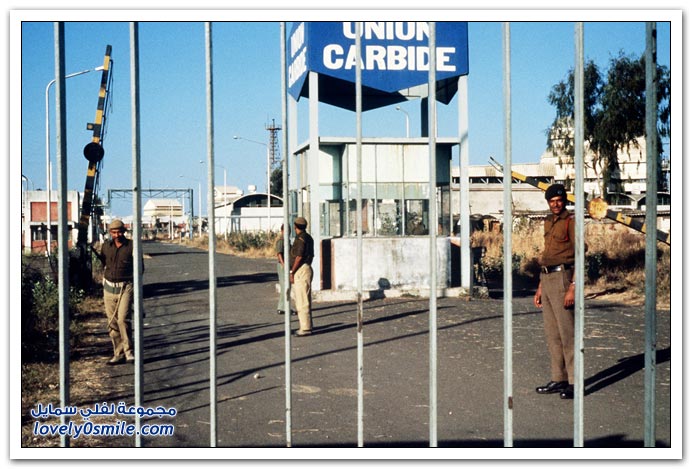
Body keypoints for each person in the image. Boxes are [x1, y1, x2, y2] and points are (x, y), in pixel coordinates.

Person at [533, 184, 577, 400]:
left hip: (562, 278)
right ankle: (559, 378)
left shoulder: (571, 222)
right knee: (553, 334)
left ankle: (574, 382)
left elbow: (581, 254)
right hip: (547, 278)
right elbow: (548, 254)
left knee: (568, 333)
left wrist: (573, 287)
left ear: (564, 201)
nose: (556, 204)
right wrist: (540, 286)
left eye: (559, 200)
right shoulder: (548, 222)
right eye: (552, 201)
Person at [92, 219, 136, 365]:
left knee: (123, 319)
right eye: (114, 232)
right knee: (112, 322)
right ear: (110, 233)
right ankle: (118, 353)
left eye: (119, 232)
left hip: (125, 287)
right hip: (109, 288)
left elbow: (140, 268)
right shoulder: (106, 246)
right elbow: (104, 264)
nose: (117, 235)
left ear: (124, 232)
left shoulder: (132, 246)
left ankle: (129, 352)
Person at [289, 216, 314, 337]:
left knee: (301, 300)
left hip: (301, 270)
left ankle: (305, 328)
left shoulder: (300, 239)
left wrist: (292, 271)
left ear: (295, 227)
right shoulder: (308, 237)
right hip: (306, 268)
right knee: (305, 298)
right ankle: (307, 325)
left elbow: (298, 257)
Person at [275, 224, 295, 316]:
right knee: (285, 287)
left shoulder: (287, 241)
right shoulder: (281, 241)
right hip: (282, 266)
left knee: (286, 286)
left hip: (287, 265)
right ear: (282, 231)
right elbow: (279, 254)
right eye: (286, 230)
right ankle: (285, 307)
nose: (288, 232)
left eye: (289, 230)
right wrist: (284, 265)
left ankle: (282, 307)